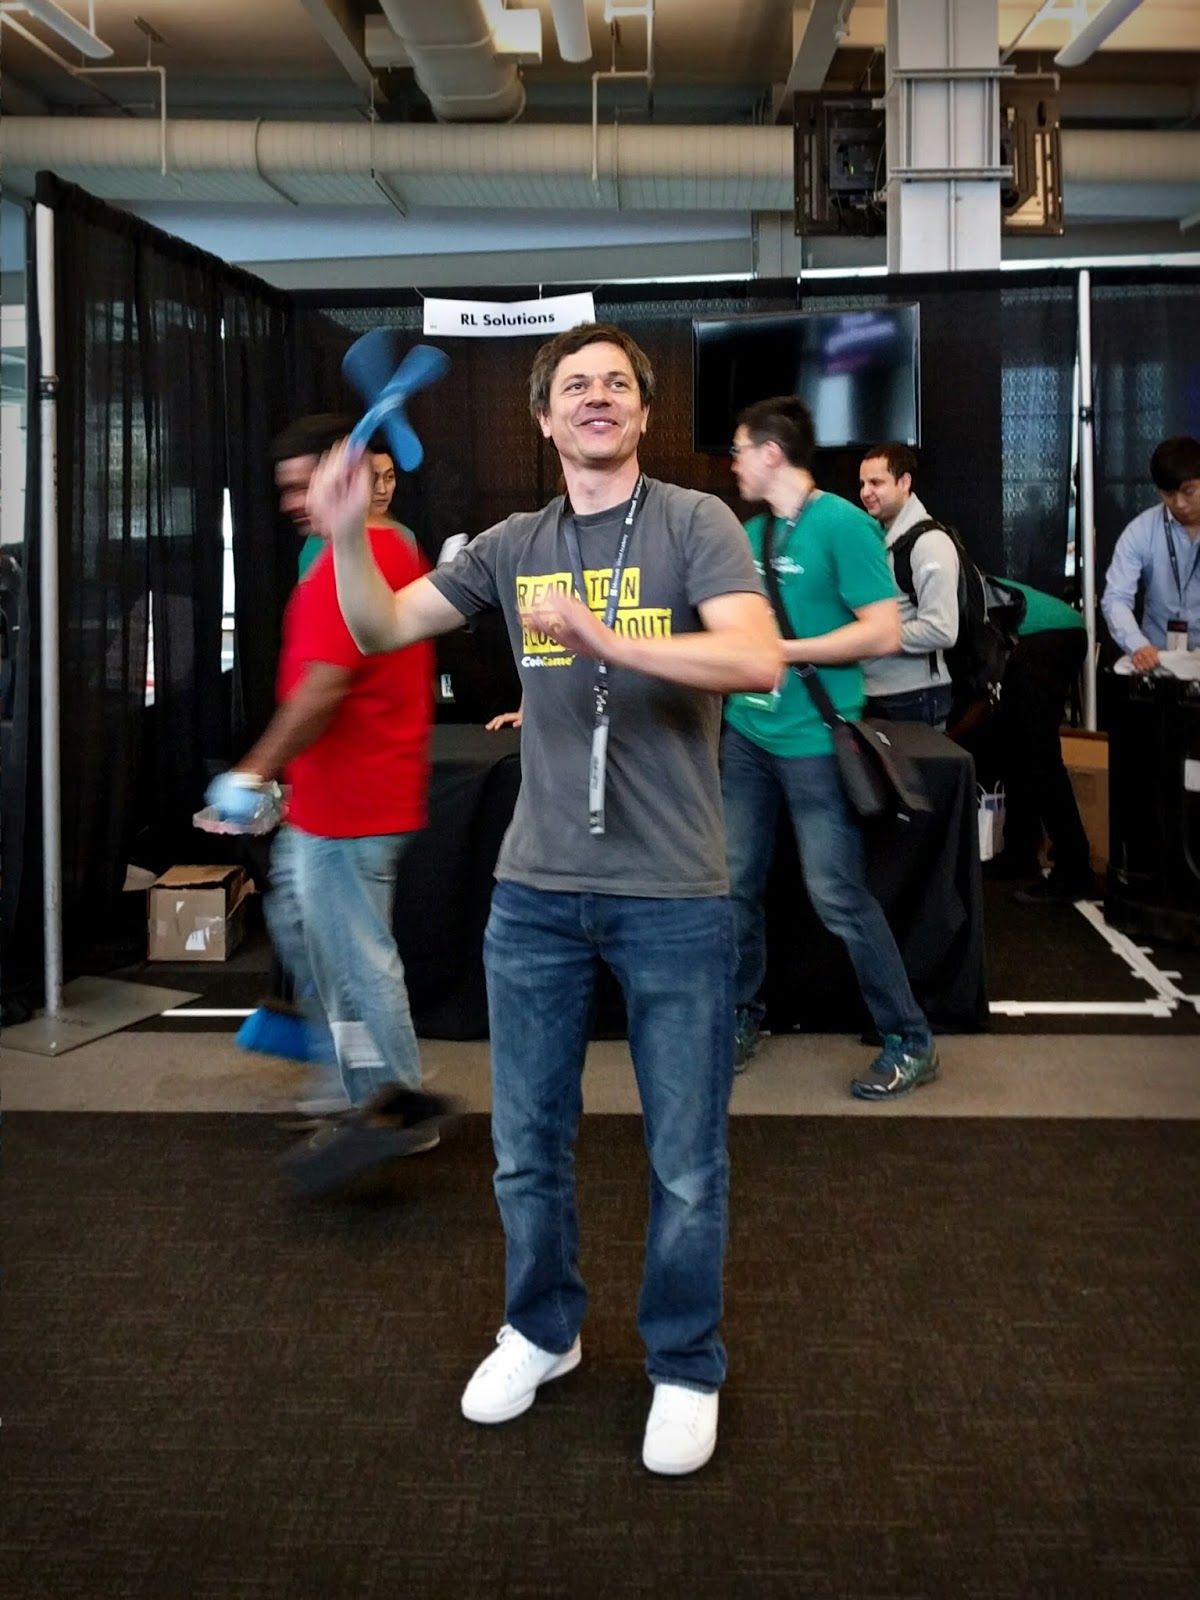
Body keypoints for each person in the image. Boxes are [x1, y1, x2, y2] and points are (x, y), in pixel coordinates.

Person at [307, 322, 781, 1477]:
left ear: (641, 411)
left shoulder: (696, 522)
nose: (598, 398)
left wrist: (610, 635)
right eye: (577, 386)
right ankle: (543, 1328)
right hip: (535, 894)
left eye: (617, 382)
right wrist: (346, 535)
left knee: (683, 1157)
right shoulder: (515, 545)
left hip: (673, 890)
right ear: (544, 416)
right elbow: (379, 627)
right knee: (525, 1144)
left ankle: (683, 1359)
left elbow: (756, 659)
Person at [213, 413, 450, 1191]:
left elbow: (326, 684)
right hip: (327, 798)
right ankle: (353, 1090)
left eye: (298, 485)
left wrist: (253, 772)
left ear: (338, 476)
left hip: (356, 805)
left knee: (357, 965)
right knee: (326, 958)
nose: (287, 503)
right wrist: (281, 784)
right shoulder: (350, 551)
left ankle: (394, 1104)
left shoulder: (370, 550)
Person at [721, 396, 939, 1101]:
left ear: (772, 454)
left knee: (837, 896)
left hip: (816, 739)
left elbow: (881, 632)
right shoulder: (752, 532)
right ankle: (740, 1015)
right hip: (747, 737)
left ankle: (909, 1038)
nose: (732, 464)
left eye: (739, 450)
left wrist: (785, 648)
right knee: (733, 886)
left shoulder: (843, 523)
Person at [988, 581, 1093, 905]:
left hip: (1050, 635)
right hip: (1049, 631)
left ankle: (1074, 872)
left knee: (1038, 754)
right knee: (1017, 746)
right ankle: (1020, 853)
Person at [858, 442, 960, 729]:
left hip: (913, 697)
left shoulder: (930, 543)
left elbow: (941, 629)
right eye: (863, 483)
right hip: (873, 693)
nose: (866, 492)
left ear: (904, 482)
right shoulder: (876, 538)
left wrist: (867, 638)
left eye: (876, 482)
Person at [1101, 435, 1200, 670]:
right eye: (1168, 494)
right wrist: (1138, 645)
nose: (1180, 504)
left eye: (1189, 491)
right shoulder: (1141, 531)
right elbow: (1116, 598)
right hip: (1157, 660)